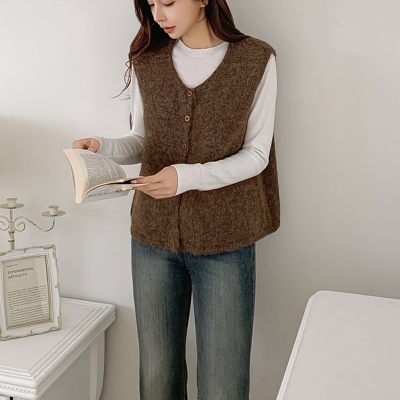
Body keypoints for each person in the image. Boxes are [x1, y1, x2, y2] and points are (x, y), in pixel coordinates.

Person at [73, 0, 279, 398]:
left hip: (226, 240)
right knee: (157, 376)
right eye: (151, 4)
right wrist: (102, 146)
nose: (158, 15)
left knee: (223, 384)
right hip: (153, 238)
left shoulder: (256, 59)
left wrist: (186, 177)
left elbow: (257, 155)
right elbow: (143, 140)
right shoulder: (148, 60)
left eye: (167, 2)